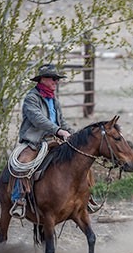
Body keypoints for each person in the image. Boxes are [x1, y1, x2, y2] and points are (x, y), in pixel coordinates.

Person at [10, 64, 87, 218]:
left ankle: (83, 198)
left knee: (79, 160)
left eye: (56, 79)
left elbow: (61, 121)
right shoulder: (31, 98)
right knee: (23, 163)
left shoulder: (54, 100)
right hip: (35, 142)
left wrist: (75, 135)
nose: (55, 82)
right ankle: (18, 200)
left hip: (54, 139)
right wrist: (58, 131)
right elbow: (39, 120)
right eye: (53, 79)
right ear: (43, 79)